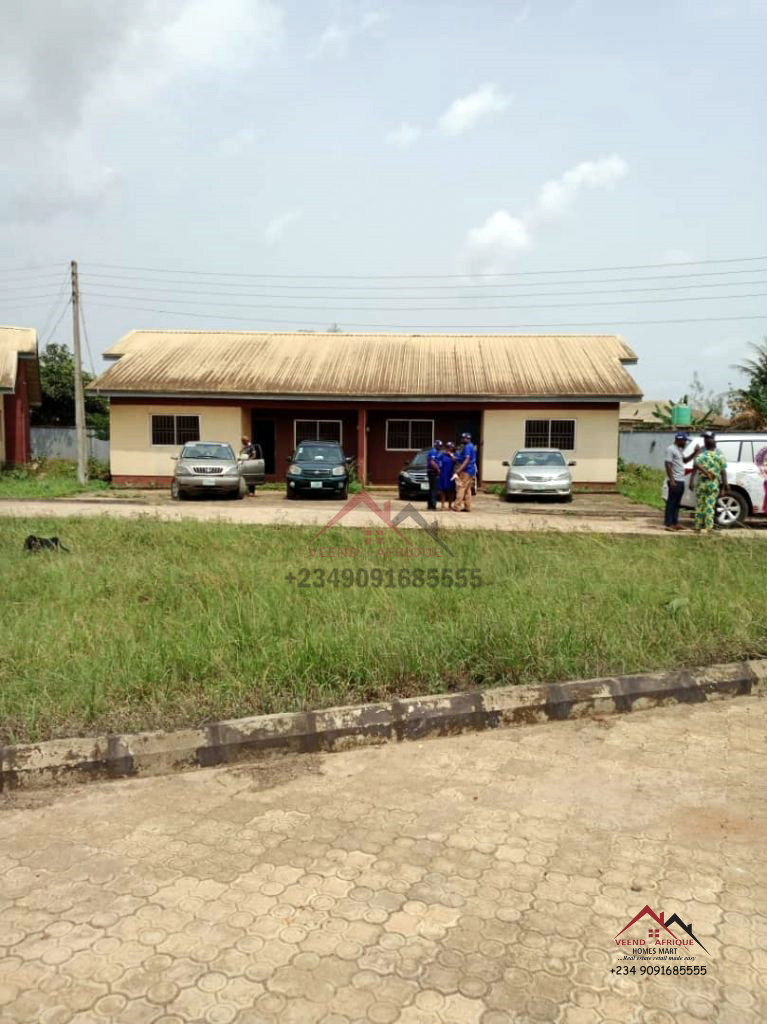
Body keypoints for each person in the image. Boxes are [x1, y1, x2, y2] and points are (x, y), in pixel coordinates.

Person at [690, 431, 728, 534]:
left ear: (705, 445)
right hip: (712, 484)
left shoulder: (701, 456)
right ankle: (709, 528)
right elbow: (723, 472)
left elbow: (695, 465)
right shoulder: (720, 456)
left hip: (701, 483)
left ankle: (697, 527)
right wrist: (724, 486)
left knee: (700, 506)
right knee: (709, 506)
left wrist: (695, 478)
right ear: (715, 445)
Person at [663, 432, 699, 531]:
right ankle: (668, 523)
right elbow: (668, 464)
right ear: (678, 440)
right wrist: (672, 480)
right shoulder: (670, 449)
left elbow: (685, 460)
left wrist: (695, 453)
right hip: (675, 480)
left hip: (681, 480)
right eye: (684, 441)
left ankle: (675, 522)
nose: (685, 443)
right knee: (671, 502)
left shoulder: (678, 450)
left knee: (677, 503)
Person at [453, 432, 477, 512]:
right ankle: (467, 507)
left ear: (467, 438)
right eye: (462, 438)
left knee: (461, 487)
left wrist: (459, 470)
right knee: (467, 489)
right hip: (471, 470)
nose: (462, 439)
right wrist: (456, 457)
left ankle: (457, 506)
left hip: (466, 470)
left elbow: (467, 460)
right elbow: (464, 458)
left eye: (464, 438)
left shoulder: (467, 447)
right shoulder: (471, 446)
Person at [438, 442, 457, 510]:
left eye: (450, 447)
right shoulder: (442, 455)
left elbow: (456, 460)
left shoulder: (455, 454)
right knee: (442, 490)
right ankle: (443, 505)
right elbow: (437, 462)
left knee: (451, 491)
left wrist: (451, 455)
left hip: (451, 475)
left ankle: (450, 505)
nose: (449, 449)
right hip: (443, 475)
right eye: (447, 447)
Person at [425, 440, 443, 511]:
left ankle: (430, 505)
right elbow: (432, 462)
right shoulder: (434, 451)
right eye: (439, 446)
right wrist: (438, 470)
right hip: (433, 472)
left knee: (431, 489)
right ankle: (432, 506)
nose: (440, 447)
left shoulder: (434, 451)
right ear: (436, 445)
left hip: (431, 471)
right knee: (434, 489)